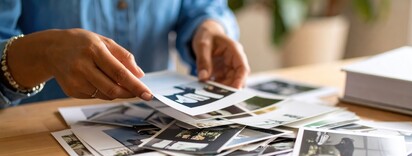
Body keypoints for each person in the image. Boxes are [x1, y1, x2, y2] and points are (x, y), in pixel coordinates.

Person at [0, 0, 250, 109]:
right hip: (37, 139)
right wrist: (45, 53)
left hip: (154, 126)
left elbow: (202, 7)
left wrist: (210, 28)